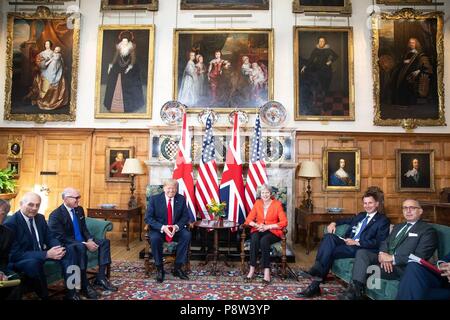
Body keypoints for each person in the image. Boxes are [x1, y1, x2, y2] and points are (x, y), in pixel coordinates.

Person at [296, 190, 390, 298]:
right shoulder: (361, 215)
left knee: (329, 251)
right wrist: (333, 223)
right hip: (347, 242)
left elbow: (379, 242)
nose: (367, 206)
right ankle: (317, 270)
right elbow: (345, 220)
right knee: (329, 237)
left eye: (370, 203)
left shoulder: (382, 220)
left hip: (359, 247)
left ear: (377, 203)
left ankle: (314, 285)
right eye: (365, 203)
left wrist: (357, 242)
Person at [338, 199, 438, 300]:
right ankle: (356, 292)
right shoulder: (399, 227)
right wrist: (382, 254)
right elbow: (385, 242)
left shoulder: (427, 231)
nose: (408, 211)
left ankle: (354, 294)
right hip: (386, 258)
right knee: (362, 253)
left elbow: (419, 257)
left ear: (420, 211)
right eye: (405, 208)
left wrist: (392, 258)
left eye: (412, 208)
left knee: (368, 269)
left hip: (402, 267)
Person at [4, 192, 79, 300]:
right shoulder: (11, 223)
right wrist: (46, 254)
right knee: (34, 263)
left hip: (42, 252)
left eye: (37, 205)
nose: (34, 208)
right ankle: (44, 296)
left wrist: (58, 248)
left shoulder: (39, 218)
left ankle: (72, 293)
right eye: (30, 204)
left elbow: (50, 237)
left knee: (70, 250)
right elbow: (15, 255)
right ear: (21, 204)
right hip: (23, 259)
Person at [48, 187, 118, 299]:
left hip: (83, 241)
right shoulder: (56, 215)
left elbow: (84, 228)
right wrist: (85, 244)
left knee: (105, 242)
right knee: (80, 247)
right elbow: (61, 237)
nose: (78, 200)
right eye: (75, 198)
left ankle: (100, 278)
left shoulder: (79, 209)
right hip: (69, 243)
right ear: (65, 199)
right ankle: (84, 284)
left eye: (78, 197)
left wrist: (89, 239)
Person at [144, 179, 191, 283]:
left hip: (175, 230)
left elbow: (185, 216)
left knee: (186, 235)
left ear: (176, 189)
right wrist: (162, 227)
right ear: (164, 188)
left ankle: (178, 268)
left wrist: (176, 226)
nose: (171, 190)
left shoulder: (181, 199)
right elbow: (148, 218)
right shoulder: (154, 199)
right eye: (169, 188)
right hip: (159, 229)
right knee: (154, 238)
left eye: (174, 188)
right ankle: (159, 268)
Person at [243, 184, 288, 284]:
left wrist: (268, 226)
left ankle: (266, 272)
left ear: (271, 193)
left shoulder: (277, 204)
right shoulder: (257, 203)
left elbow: (284, 222)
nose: (265, 195)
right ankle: (252, 270)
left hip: (273, 231)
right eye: (263, 192)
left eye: (267, 192)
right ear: (260, 194)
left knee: (264, 241)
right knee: (254, 239)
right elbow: (248, 220)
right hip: (258, 229)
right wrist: (257, 225)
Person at [103, 31, 145, 113]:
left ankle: (129, 106)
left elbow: (133, 58)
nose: (124, 42)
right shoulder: (119, 46)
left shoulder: (131, 46)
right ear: (121, 40)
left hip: (129, 66)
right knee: (114, 82)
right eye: (123, 40)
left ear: (129, 40)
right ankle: (114, 105)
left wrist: (130, 66)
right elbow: (116, 56)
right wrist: (111, 64)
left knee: (128, 84)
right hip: (119, 65)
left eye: (126, 40)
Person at [25, 40, 69, 110]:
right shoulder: (42, 53)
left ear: (50, 45)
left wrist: (59, 65)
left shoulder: (54, 53)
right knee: (43, 79)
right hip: (44, 70)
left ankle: (52, 101)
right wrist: (44, 63)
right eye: (45, 44)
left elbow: (60, 61)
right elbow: (39, 62)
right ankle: (44, 100)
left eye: (48, 44)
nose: (46, 45)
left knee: (59, 79)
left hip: (55, 70)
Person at [391, 37, 433, 106]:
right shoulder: (408, 53)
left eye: (413, 43)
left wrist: (417, 71)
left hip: (413, 74)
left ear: (416, 44)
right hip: (404, 73)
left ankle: (409, 103)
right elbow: (405, 62)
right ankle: (401, 103)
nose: (411, 44)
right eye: (410, 43)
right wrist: (403, 62)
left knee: (408, 85)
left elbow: (424, 66)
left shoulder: (420, 54)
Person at [0, 199, 21, 300]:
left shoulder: (8, 234)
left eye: (2, 214)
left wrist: (1, 272)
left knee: (15, 279)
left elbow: (4, 258)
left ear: (5, 216)